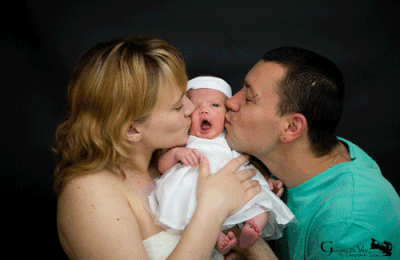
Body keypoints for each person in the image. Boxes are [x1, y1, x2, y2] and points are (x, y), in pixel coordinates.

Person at [53, 36, 269, 260]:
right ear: (132, 129)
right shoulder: (89, 191)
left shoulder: (171, 158)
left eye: (185, 94)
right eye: (177, 107)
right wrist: (212, 209)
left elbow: (232, 222)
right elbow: (214, 207)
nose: (191, 108)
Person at [224, 46, 400, 259]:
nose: (231, 102)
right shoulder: (299, 159)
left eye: (250, 98)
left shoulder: (349, 222)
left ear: (291, 128)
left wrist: (250, 246)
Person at [148, 76, 294, 256]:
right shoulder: (185, 140)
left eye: (215, 105)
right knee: (190, 209)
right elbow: (163, 167)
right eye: (196, 107)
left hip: (235, 181)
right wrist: (176, 154)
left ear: (227, 114)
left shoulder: (230, 137)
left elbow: (250, 160)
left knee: (260, 201)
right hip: (195, 186)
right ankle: (217, 239)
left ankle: (253, 227)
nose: (204, 111)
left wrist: (265, 179)